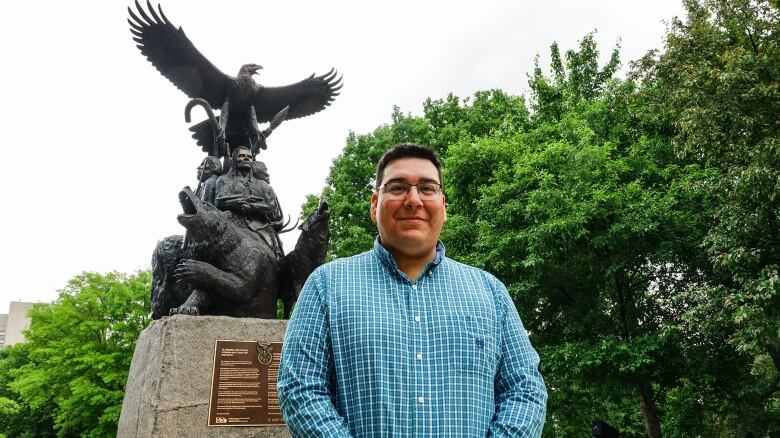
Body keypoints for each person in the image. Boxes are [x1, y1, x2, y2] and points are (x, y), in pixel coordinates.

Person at [278, 143, 547, 437]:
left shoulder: (491, 292)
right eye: (397, 187)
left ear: (443, 205)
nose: (413, 199)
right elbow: (301, 389)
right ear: (374, 205)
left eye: (427, 188)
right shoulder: (325, 286)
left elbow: (525, 390)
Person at [215, 146, 284, 257]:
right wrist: (237, 203)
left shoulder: (263, 185)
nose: (246, 158)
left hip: (260, 228)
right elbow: (219, 202)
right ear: (234, 159)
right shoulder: (224, 180)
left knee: (276, 256)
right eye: (242, 156)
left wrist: (252, 207)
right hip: (231, 224)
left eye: (249, 157)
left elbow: (274, 212)